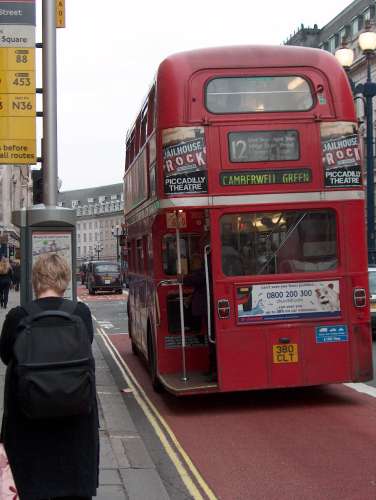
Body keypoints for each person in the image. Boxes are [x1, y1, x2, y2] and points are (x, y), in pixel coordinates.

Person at [0, 253, 99, 500]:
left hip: (28, 427)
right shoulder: (81, 314)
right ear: (64, 280)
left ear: (35, 280)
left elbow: (4, 356)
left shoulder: (18, 317)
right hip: (75, 427)